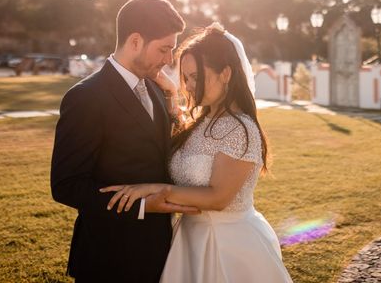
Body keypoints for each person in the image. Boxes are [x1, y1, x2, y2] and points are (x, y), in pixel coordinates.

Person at [101, 23, 293, 283]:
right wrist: (170, 94)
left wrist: (157, 190)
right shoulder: (199, 124)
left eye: (197, 77)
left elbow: (218, 198)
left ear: (226, 74)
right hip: (189, 239)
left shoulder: (241, 129)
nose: (189, 86)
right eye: (186, 78)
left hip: (228, 247)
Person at [50, 0, 198, 283]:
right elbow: (66, 185)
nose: (170, 60)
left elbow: (164, 152)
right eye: (164, 49)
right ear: (135, 41)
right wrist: (144, 205)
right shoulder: (85, 97)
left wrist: (172, 97)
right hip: (108, 258)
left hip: (158, 252)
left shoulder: (158, 89)